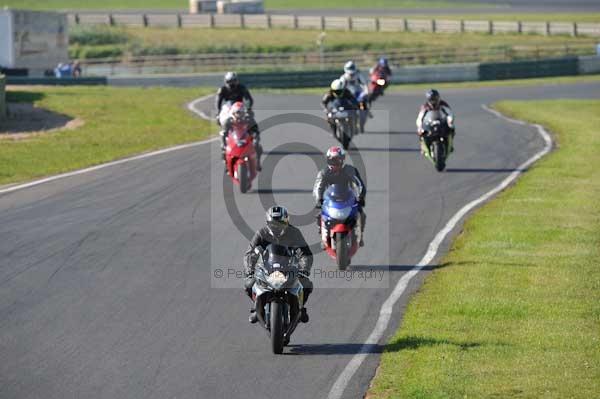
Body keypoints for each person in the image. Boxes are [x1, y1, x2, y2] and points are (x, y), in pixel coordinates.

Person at [244, 206, 313, 324]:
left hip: (289, 266)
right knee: (248, 285)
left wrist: (304, 269)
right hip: (267, 267)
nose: (277, 226)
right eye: (273, 224)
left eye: (280, 223)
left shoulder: (294, 233)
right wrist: (249, 269)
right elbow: (250, 253)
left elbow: (306, 254)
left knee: (306, 284)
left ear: (287, 222)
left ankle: (300, 308)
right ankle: (256, 307)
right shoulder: (261, 233)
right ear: (267, 223)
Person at [313, 146, 367, 247]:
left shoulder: (350, 170)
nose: (335, 164)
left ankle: (360, 235)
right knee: (319, 215)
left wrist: (361, 196)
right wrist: (318, 199)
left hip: (348, 199)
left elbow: (359, 184)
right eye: (332, 160)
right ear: (328, 160)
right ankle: (322, 235)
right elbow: (318, 187)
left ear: (342, 160)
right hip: (331, 201)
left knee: (361, 213)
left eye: (338, 160)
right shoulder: (323, 173)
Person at [219, 101, 262, 170]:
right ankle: (227, 165)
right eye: (238, 112)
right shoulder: (228, 121)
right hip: (233, 139)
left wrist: (255, 139)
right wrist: (224, 145)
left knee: (258, 146)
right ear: (233, 113)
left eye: (241, 112)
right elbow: (223, 133)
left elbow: (256, 131)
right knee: (224, 150)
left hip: (246, 138)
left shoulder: (249, 119)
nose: (239, 115)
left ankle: (258, 163)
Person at [415, 89, 456, 153]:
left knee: (451, 128)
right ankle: (423, 146)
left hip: (441, 122)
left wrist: (449, 120)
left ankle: (450, 145)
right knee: (420, 132)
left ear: (438, 98)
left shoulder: (443, 104)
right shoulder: (425, 106)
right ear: (428, 100)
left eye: (435, 99)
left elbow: (449, 113)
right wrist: (420, 126)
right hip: (429, 124)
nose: (433, 102)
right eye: (431, 100)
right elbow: (419, 118)